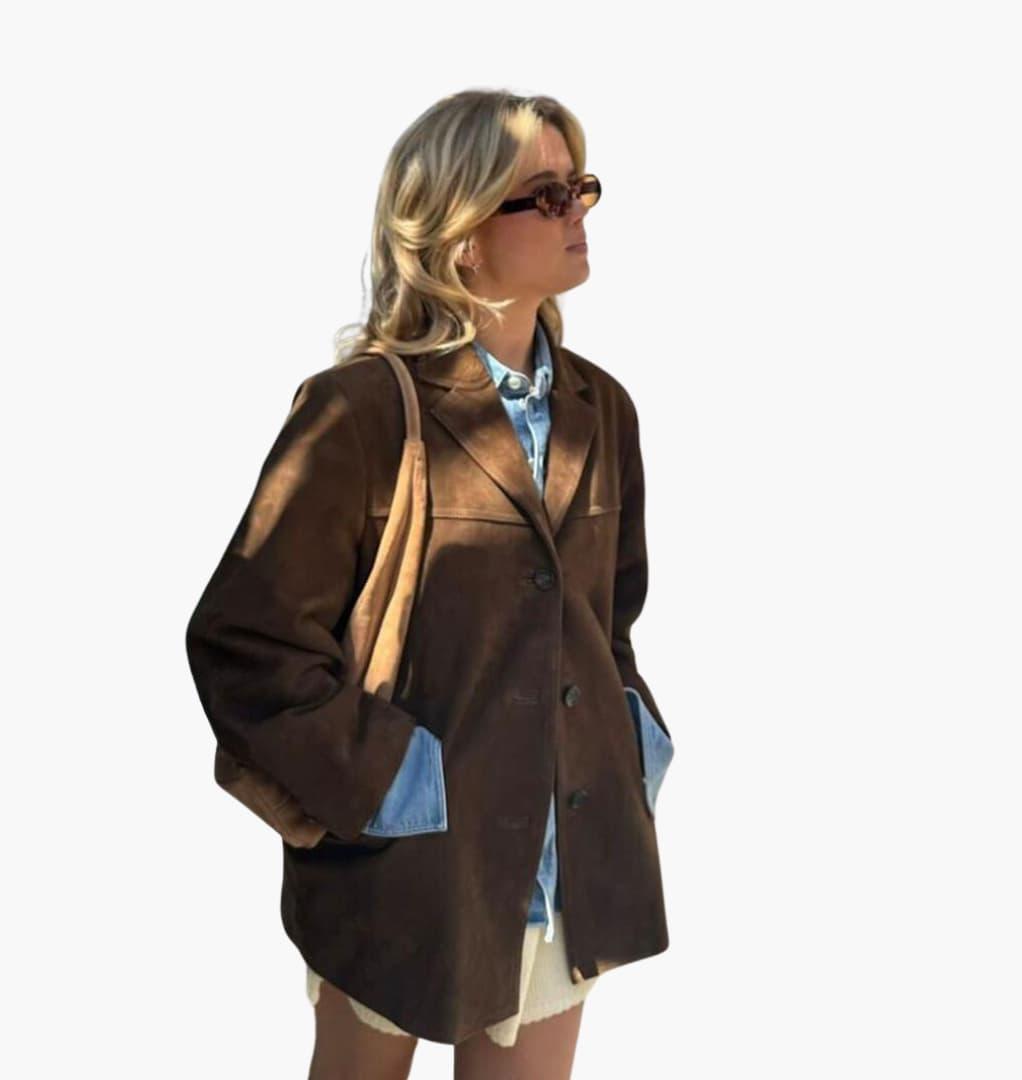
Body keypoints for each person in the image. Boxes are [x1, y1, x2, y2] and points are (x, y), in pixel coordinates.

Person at [185, 89, 674, 1080]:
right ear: (460, 233)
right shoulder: (361, 412)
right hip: (410, 863)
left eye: (580, 185)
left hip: (570, 858)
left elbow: (610, 615)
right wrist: (389, 783)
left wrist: (630, 740)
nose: (578, 209)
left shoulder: (602, 408)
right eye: (545, 194)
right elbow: (245, 639)